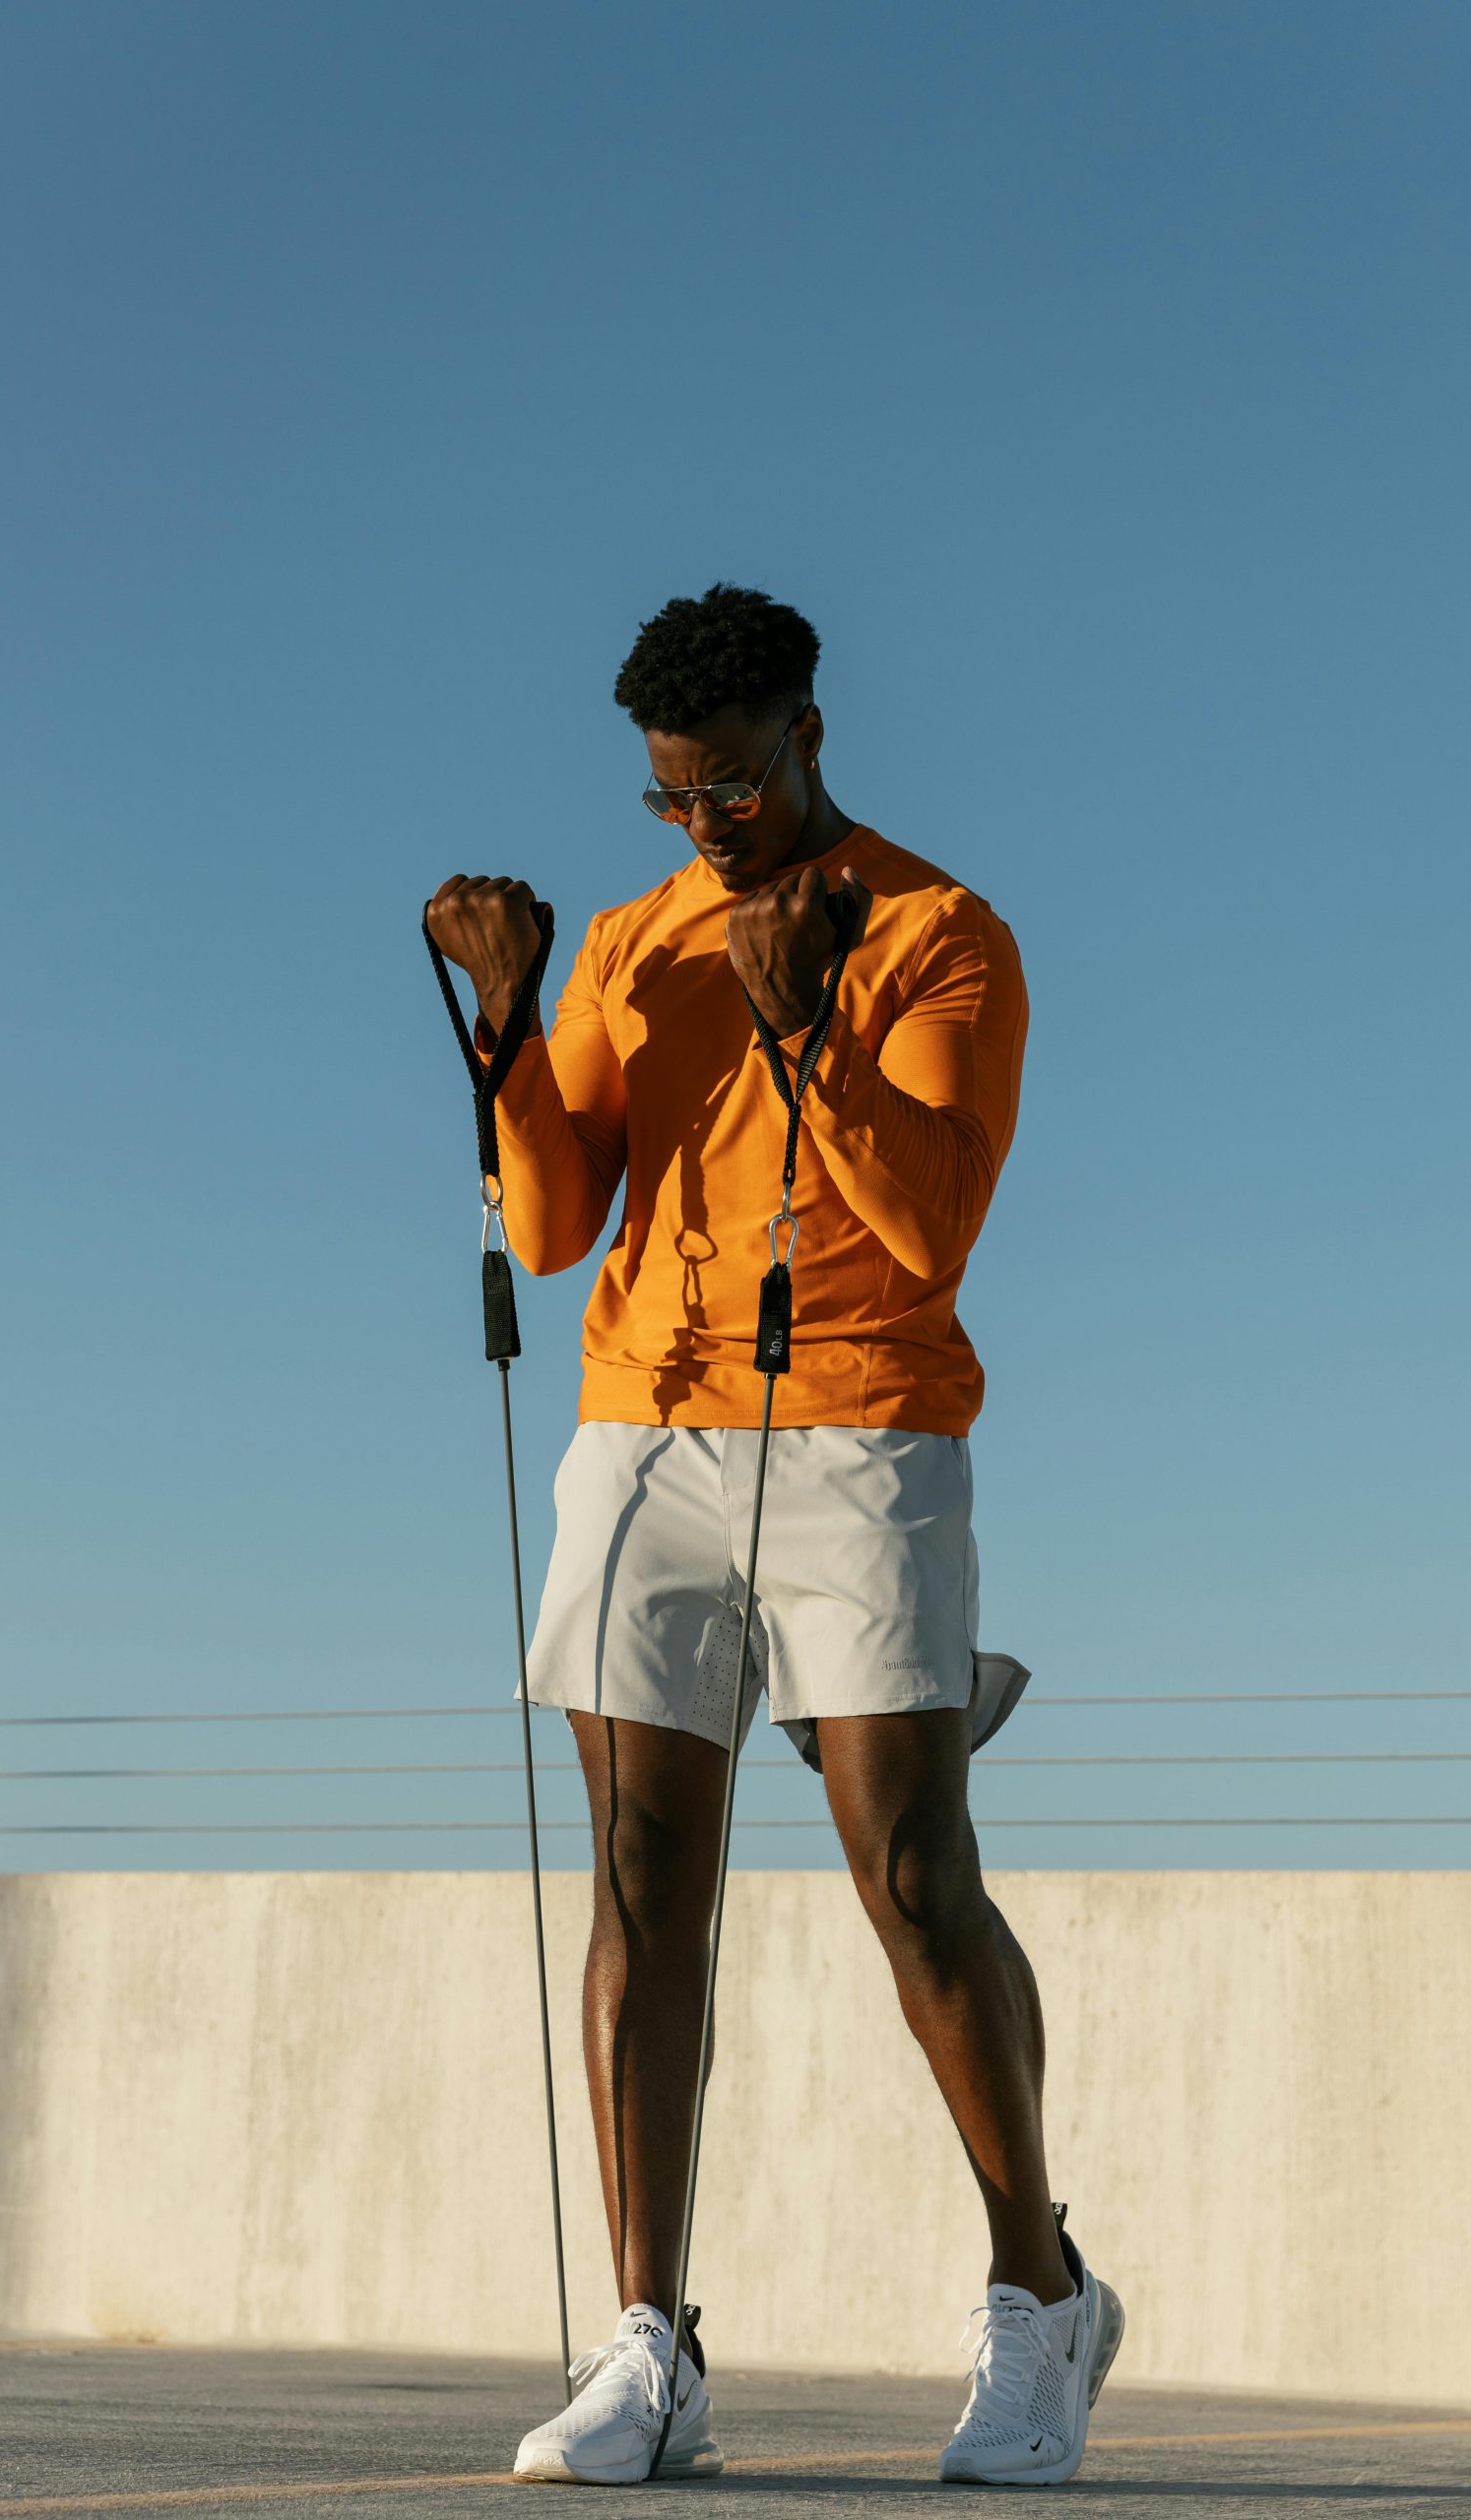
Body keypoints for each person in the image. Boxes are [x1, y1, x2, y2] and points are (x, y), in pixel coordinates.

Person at [425, 583, 1122, 2488]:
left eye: (729, 783)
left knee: (907, 1869)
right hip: (638, 1430)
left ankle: (1037, 2293)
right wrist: (504, 1024)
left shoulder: (936, 930)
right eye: (670, 795)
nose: (702, 825)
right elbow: (557, 1219)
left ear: (807, 734)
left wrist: (803, 1023)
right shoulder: (636, 941)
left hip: (861, 1428)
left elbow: (926, 1231)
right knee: (643, 1885)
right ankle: (651, 2342)